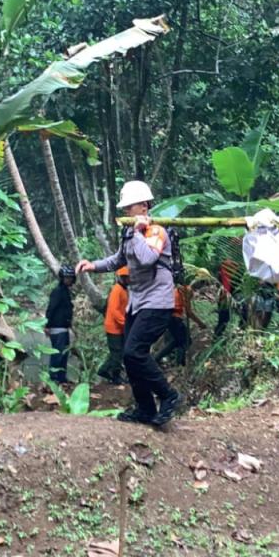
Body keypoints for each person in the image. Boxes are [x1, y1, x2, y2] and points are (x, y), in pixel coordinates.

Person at [76, 180, 183, 426]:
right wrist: (93, 265)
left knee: (134, 351)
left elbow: (146, 259)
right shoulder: (131, 234)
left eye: (130, 207)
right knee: (130, 356)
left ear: (143, 207)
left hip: (157, 303)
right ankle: (145, 408)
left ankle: (169, 395)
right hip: (137, 303)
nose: (125, 211)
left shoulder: (156, 232)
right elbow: (118, 260)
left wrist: (135, 232)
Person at [155, 268, 207, 365]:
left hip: (168, 317)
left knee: (176, 341)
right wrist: (201, 323)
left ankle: (160, 359)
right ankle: (179, 364)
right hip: (174, 318)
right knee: (185, 341)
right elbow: (188, 312)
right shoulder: (187, 290)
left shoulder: (177, 288)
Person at [42, 265, 76, 384]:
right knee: (57, 353)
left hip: (64, 327)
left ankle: (62, 377)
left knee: (64, 354)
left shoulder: (66, 291)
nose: (69, 280)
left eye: (71, 278)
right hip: (56, 327)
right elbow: (51, 308)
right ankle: (53, 378)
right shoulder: (57, 291)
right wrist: (46, 324)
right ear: (62, 278)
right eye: (67, 278)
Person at [98, 267, 130, 384]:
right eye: (127, 277)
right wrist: (125, 323)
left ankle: (104, 370)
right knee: (117, 353)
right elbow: (114, 310)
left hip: (119, 327)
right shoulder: (117, 290)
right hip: (114, 328)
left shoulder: (124, 290)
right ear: (122, 278)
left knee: (118, 352)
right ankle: (115, 377)